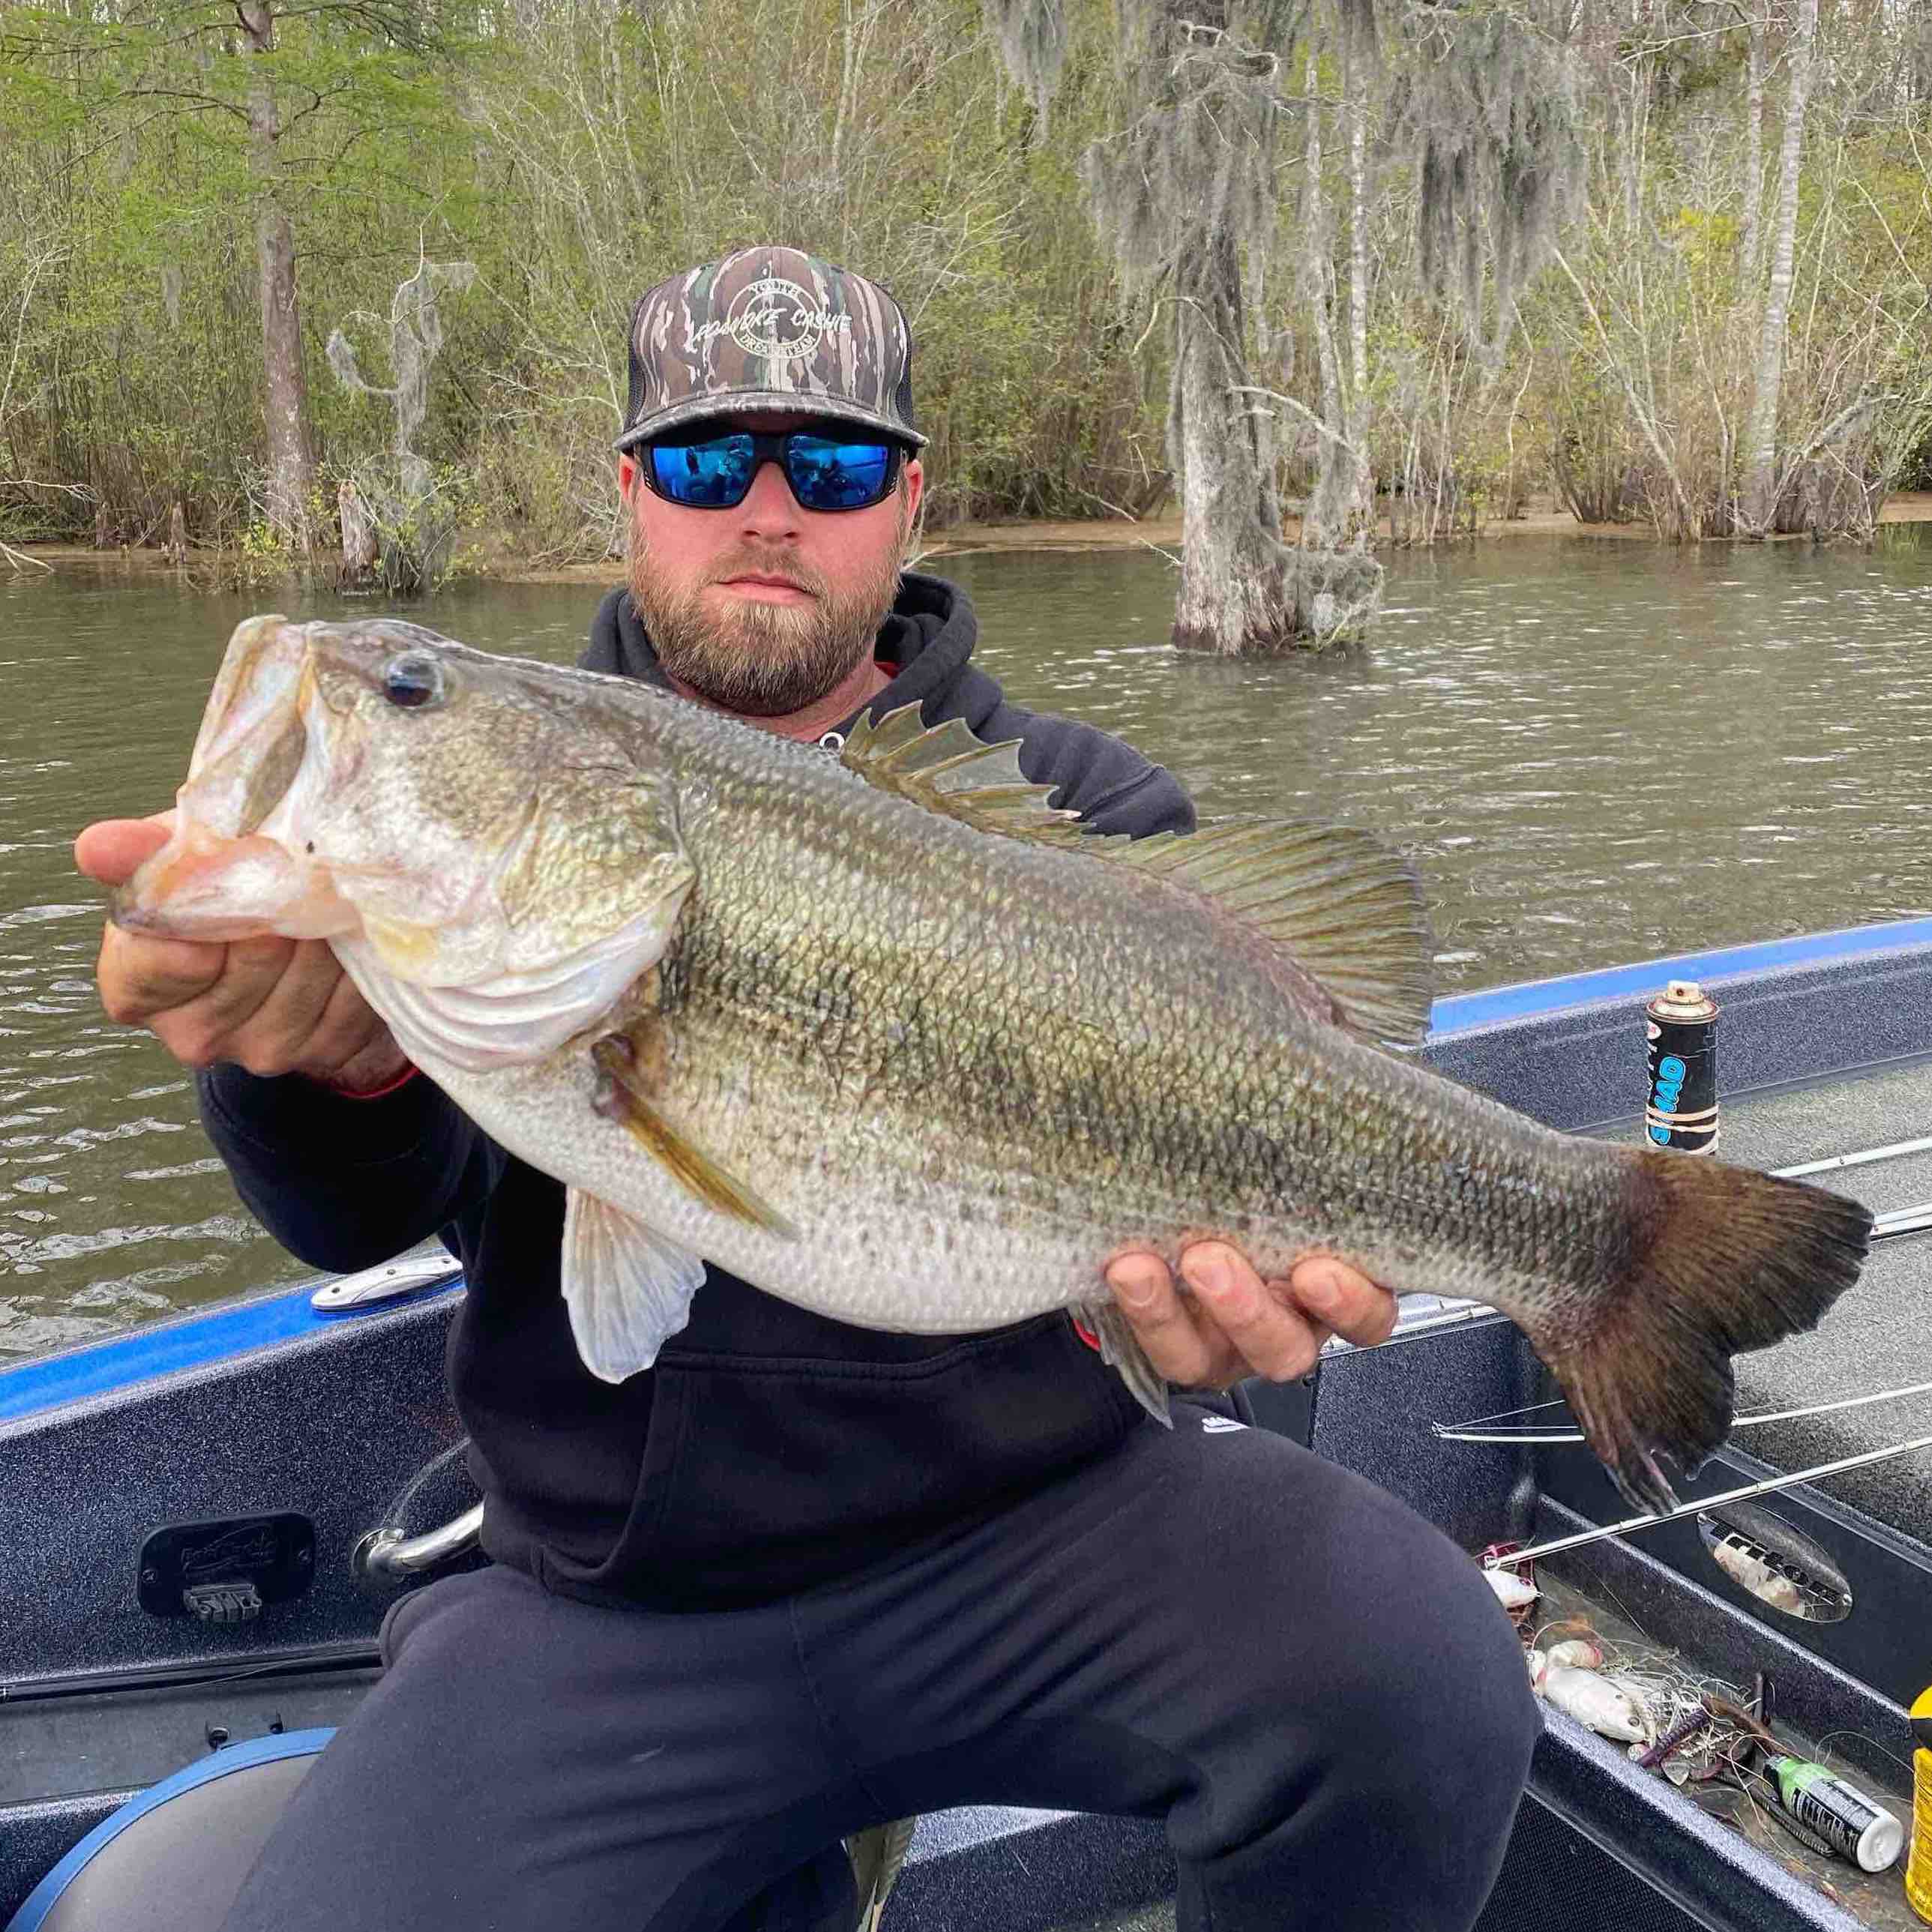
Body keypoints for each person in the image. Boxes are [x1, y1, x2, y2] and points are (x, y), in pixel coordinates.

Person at [77, 247, 1538, 1932]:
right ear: (632, 494)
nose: (766, 509)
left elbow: (1211, 1255)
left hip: (1046, 1530)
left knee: (1421, 1672)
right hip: (613, 1597)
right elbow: (347, 1213)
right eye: (708, 461)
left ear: (904, 503)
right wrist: (306, 1060)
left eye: (829, 465)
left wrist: (1198, 1325)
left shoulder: (1078, 813)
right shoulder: (516, 822)